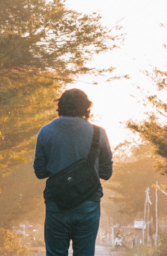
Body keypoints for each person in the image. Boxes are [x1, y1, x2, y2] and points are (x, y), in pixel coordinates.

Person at [34, 88, 113, 256]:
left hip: (57, 202)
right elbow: (106, 172)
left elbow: (40, 172)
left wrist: (60, 166)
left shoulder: (45, 131)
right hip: (88, 204)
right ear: (86, 107)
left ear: (60, 106)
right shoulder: (99, 133)